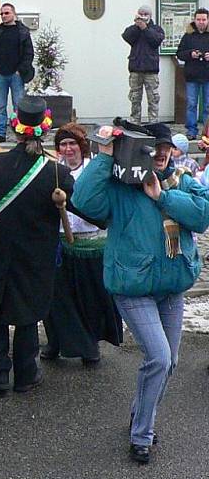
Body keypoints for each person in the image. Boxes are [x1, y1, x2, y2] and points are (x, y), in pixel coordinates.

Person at [72, 122, 209, 465]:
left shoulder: (180, 180)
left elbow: (203, 216)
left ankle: (139, 416)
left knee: (169, 362)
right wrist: (104, 157)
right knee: (160, 358)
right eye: (154, 148)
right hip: (133, 288)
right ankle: (141, 436)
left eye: (166, 148)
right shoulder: (119, 188)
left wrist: (162, 196)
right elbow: (83, 200)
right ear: (142, 151)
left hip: (172, 287)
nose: (161, 154)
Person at [0, 96, 73, 393]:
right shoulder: (57, 173)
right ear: (46, 131)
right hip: (35, 258)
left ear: (16, 129)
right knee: (27, 315)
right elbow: (80, 208)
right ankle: (26, 375)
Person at [40, 123, 123, 365]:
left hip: (91, 245)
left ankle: (90, 345)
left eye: (72, 144)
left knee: (89, 299)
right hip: (60, 246)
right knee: (57, 300)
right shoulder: (52, 172)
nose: (68, 149)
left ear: (81, 147)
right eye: (63, 145)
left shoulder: (93, 172)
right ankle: (55, 341)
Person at [0, 2, 35, 144]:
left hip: (16, 75)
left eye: (6, 13)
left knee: (18, 106)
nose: (4, 16)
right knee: (0, 106)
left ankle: (21, 134)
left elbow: (28, 53)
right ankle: (0, 133)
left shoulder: (23, 31)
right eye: (2, 14)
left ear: (14, 13)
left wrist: (21, 70)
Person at [122, 4, 165, 125]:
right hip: (135, 69)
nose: (143, 16)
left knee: (153, 98)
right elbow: (127, 37)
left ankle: (153, 122)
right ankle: (135, 120)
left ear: (150, 16)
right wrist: (137, 26)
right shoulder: (133, 29)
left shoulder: (157, 29)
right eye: (141, 14)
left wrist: (145, 28)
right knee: (135, 97)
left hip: (151, 70)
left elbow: (156, 41)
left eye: (145, 14)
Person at [176, 8, 209, 139]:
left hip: (208, 76)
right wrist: (190, 54)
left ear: (208, 20)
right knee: (191, 104)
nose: (201, 22)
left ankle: (207, 132)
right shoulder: (188, 36)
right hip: (192, 76)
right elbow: (179, 53)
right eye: (199, 19)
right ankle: (191, 130)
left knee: (208, 106)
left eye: (204, 19)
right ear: (195, 20)